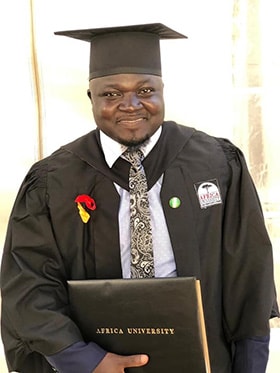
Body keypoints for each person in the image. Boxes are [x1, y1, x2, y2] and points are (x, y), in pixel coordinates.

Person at [0, 22, 279, 373]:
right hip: (95, 361)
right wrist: (83, 359)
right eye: (111, 94)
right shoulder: (52, 180)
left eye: (145, 90)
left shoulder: (216, 164)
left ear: (163, 91)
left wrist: (250, 364)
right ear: (91, 97)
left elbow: (249, 269)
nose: (130, 105)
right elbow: (28, 280)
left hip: (203, 360)